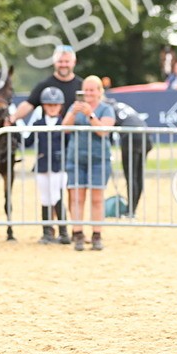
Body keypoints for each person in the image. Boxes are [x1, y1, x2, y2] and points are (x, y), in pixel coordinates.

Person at [63, 75, 116, 251]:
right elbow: (65, 128)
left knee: (97, 198)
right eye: (86, 90)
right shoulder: (74, 108)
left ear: (100, 92)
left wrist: (90, 115)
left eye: (92, 90)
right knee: (77, 197)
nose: (89, 93)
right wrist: (74, 113)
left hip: (98, 159)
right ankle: (77, 234)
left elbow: (103, 131)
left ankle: (97, 235)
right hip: (76, 159)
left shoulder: (106, 109)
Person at [24, 87, 70, 245]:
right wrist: (14, 129)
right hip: (43, 164)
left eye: (55, 105)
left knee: (56, 196)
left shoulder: (65, 123)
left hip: (59, 165)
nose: (52, 107)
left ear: (60, 106)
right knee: (45, 198)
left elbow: (69, 144)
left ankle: (64, 232)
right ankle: (47, 232)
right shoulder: (39, 123)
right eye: (49, 104)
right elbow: (28, 141)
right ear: (43, 106)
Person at [102, 91, 154, 216]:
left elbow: (107, 132)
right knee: (138, 175)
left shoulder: (107, 110)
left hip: (131, 138)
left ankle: (130, 210)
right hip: (145, 136)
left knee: (131, 176)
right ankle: (132, 208)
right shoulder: (120, 105)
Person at [9, 45, 82, 125]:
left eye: (67, 61)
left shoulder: (82, 85)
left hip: (73, 135)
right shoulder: (44, 85)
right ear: (54, 63)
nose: (63, 65)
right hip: (50, 136)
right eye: (60, 61)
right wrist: (12, 118)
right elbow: (29, 104)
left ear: (74, 62)